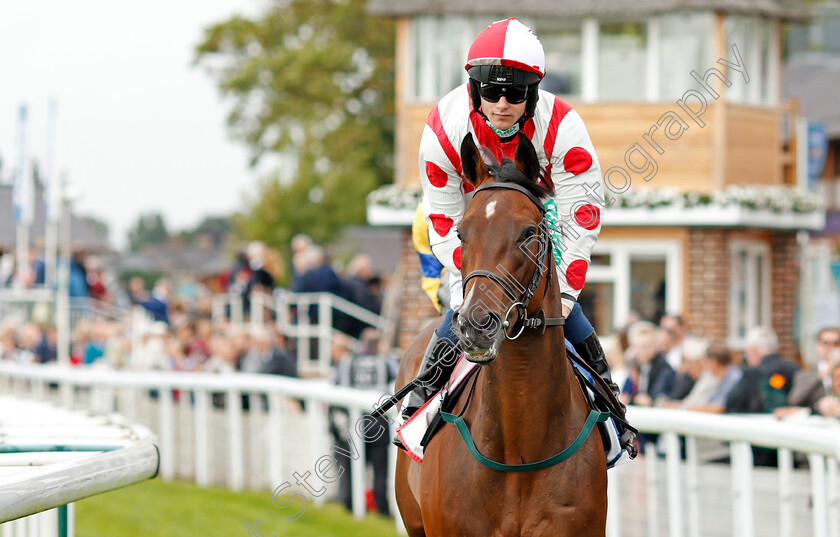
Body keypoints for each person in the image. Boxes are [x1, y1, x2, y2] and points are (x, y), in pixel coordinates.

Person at [407, 18, 633, 452]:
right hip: (474, 223)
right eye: (492, 92)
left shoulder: (563, 127)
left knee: (569, 315)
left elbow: (580, 217)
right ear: (474, 89)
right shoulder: (442, 128)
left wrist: (564, 296)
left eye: (516, 93)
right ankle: (421, 398)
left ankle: (611, 408)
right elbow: (441, 217)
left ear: (534, 92)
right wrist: (472, 289)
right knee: (461, 313)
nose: (503, 104)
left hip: (541, 214)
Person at [329, 329, 395, 515]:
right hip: (379, 424)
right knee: (380, 470)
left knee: (350, 468)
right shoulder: (386, 362)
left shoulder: (346, 362)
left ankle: (349, 505)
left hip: (353, 425)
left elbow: (334, 391)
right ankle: (381, 508)